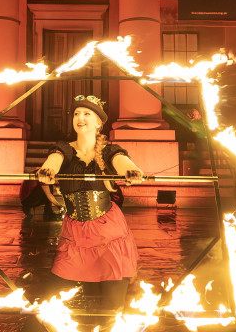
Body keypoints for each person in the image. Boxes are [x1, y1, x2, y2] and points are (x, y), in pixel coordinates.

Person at [33, 94, 144, 327]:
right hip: (75, 236)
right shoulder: (63, 150)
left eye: (86, 113)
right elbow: (53, 160)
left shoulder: (108, 151)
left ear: (98, 123)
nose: (80, 118)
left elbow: (121, 161)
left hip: (109, 235)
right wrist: (47, 170)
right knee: (50, 301)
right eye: (76, 113)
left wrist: (131, 170)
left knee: (110, 311)